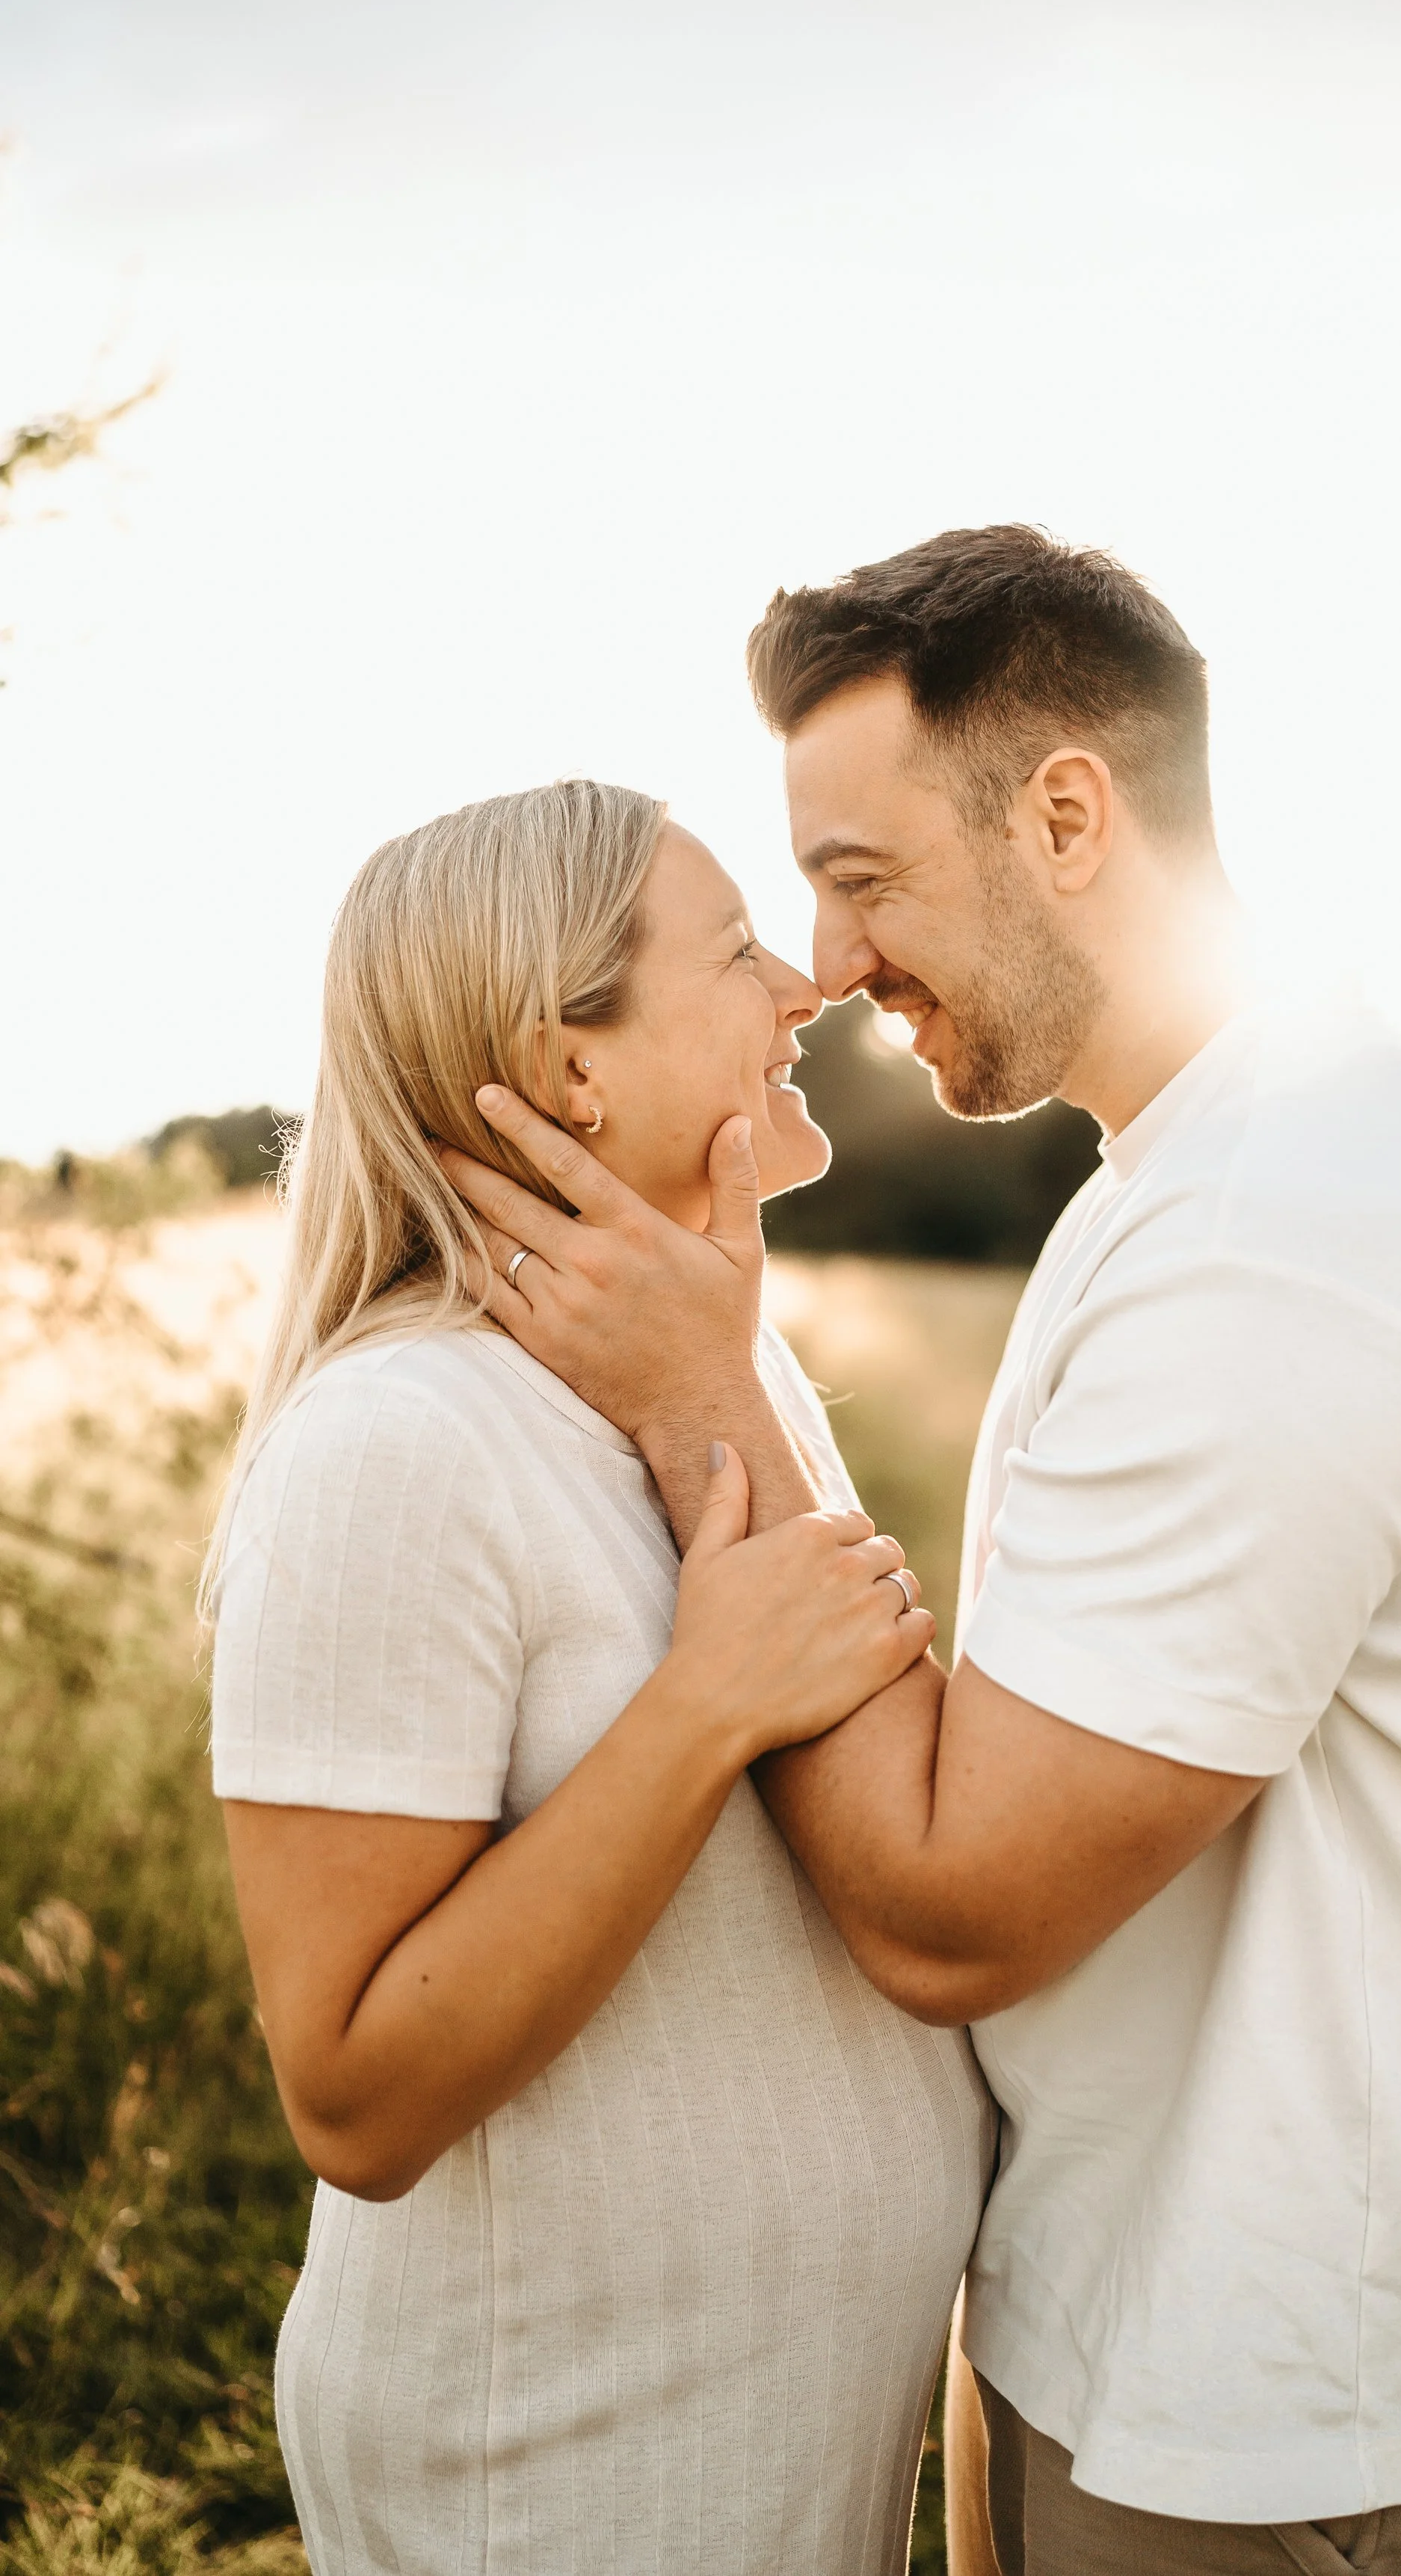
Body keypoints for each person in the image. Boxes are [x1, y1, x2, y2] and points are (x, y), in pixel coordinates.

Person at [450, 528, 1401, 2576]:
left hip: (1284, 2410)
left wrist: (702, 1387)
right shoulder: (1207, 1162)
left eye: (862, 876)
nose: (829, 962)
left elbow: (954, 1911)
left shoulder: (1281, 1230)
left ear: (1068, 816)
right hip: (1173, 2319)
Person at [206, 779, 996, 2576]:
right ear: (572, 1069)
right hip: (565, 2473)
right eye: (735, 952)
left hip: (765, 2453)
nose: (803, 985)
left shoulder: (718, 1371)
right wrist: (702, 1710)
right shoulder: (398, 1442)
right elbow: (351, 2096)